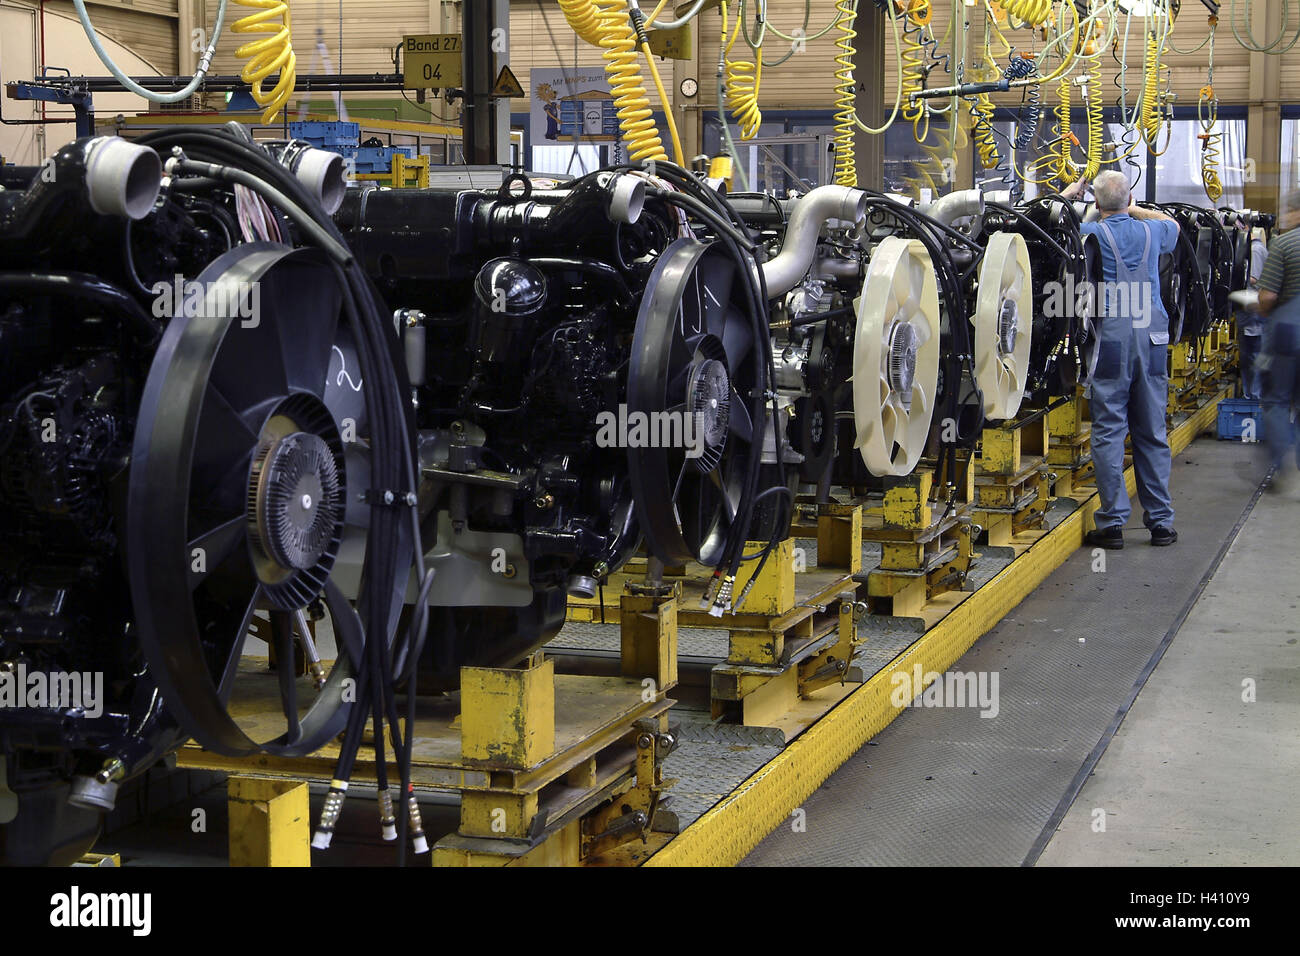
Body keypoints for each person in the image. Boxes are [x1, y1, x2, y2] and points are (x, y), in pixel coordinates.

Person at [1060, 171, 1180, 549]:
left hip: (1113, 336)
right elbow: (1174, 225)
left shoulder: (1092, 233)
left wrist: (1069, 195)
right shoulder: (1153, 232)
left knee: (1110, 429)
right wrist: (1135, 208)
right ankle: (1160, 523)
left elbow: (1058, 229)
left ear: (1096, 203)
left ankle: (1112, 525)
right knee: (1151, 430)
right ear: (1129, 200)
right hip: (1153, 336)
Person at [1256, 191, 1300, 488]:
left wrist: (1256, 303)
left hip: (1287, 334)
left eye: (1289, 210)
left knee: (1275, 401)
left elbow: (1268, 296)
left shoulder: (1283, 243)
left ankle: (1282, 466)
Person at [1238, 226, 1268, 400]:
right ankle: (1250, 394)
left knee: (1253, 356)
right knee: (1249, 356)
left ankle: (1253, 396)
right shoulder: (1256, 248)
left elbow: (1253, 278)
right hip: (1250, 310)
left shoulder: (1255, 250)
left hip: (1253, 311)